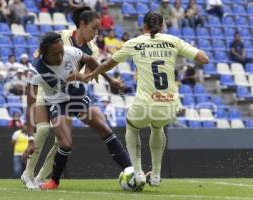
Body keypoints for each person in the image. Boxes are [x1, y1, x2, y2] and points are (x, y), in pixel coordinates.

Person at [84, 12, 209, 188]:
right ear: (163, 25)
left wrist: (91, 74)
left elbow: (108, 64)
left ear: (144, 26)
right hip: (169, 103)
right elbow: (204, 59)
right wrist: (191, 51)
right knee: (157, 128)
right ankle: (156, 174)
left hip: (145, 102)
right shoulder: (173, 40)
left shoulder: (135, 43)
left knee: (132, 126)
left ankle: (138, 172)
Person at [21, 7, 127, 189]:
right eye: (94, 28)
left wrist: (93, 78)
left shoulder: (89, 50)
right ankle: (27, 175)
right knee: (44, 129)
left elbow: (87, 73)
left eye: (98, 29)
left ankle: (43, 178)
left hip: (71, 93)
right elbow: (40, 56)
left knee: (62, 141)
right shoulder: (59, 38)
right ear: (82, 25)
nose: (96, 33)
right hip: (46, 91)